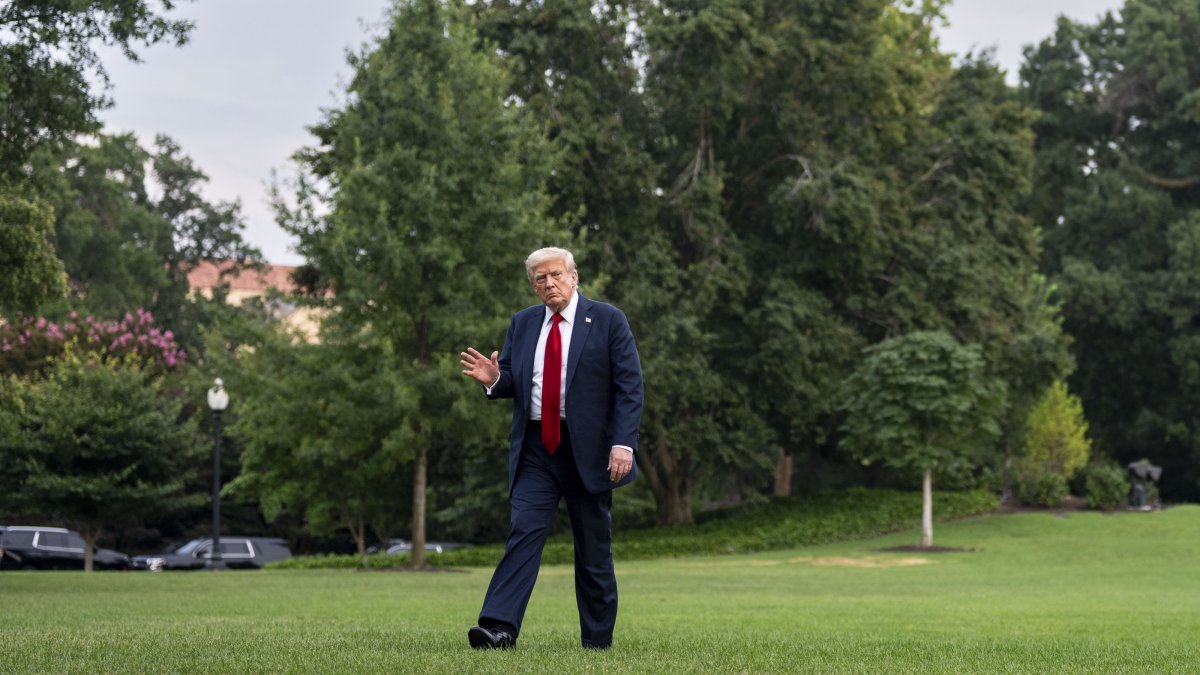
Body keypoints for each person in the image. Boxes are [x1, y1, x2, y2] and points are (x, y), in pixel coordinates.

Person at [459, 246, 643, 650]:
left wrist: (623, 445)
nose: (549, 283)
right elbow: (511, 380)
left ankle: (597, 640)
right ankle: (498, 628)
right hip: (536, 450)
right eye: (540, 278)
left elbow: (629, 387)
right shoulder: (523, 324)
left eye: (556, 275)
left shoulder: (608, 320)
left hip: (590, 454)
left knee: (593, 548)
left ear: (573, 277)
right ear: (533, 285)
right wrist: (494, 379)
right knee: (523, 533)